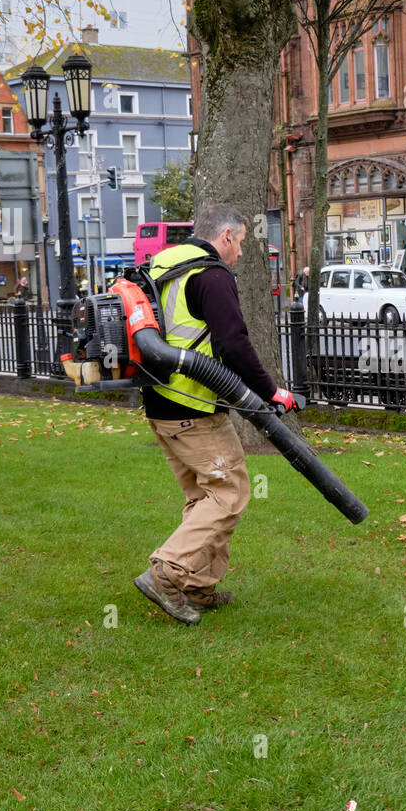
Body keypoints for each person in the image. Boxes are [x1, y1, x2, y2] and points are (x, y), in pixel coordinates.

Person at [136, 203, 299, 625]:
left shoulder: (165, 263)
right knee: (229, 493)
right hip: (191, 405)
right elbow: (233, 342)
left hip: (161, 402)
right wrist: (271, 391)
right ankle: (166, 571)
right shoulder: (211, 274)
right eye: (241, 243)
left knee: (203, 497)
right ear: (225, 236)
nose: (241, 253)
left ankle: (198, 585)